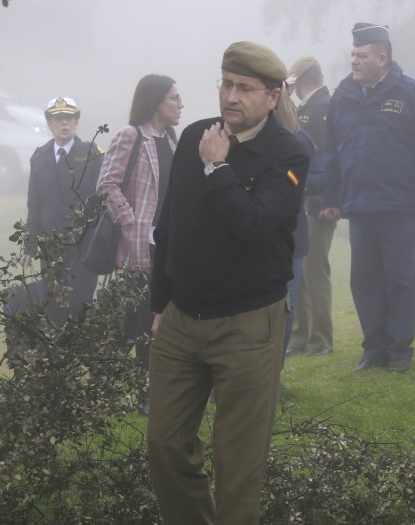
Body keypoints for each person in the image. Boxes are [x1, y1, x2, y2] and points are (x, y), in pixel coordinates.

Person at [147, 42, 308, 525]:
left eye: (245, 88)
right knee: (165, 445)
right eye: (225, 84)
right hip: (180, 318)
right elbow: (168, 223)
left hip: (248, 322)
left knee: (238, 466)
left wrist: (218, 167)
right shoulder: (196, 133)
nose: (231, 96)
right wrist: (160, 303)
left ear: (274, 97)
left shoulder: (289, 152)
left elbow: (253, 226)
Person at [321, 23, 415, 373]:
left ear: (382, 57)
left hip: (401, 206)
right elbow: (330, 153)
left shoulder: (413, 94)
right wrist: (330, 197)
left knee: (401, 280)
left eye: (361, 55)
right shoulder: (342, 96)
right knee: (364, 280)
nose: (354, 60)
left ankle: (399, 351)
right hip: (359, 206)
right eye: (352, 54)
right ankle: (373, 349)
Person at [95, 74, 182, 417]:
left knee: (154, 321)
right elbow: (106, 185)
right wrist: (133, 225)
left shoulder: (173, 142)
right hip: (136, 249)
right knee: (139, 321)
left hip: (167, 248)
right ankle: (133, 393)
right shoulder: (131, 135)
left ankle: (147, 391)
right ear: (157, 99)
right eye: (175, 97)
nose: (180, 104)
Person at [13, 97, 103, 330]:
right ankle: (56, 352)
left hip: (84, 243)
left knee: (78, 301)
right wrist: (30, 244)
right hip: (50, 243)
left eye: (69, 118)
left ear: (76, 123)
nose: (64, 123)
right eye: (58, 119)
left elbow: (102, 198)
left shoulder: (92, 154)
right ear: (49, 124)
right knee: (53, 297)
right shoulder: (39, 156)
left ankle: (77, 348)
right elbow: (35, 204)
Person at [285, 55, 337, 359]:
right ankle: (300, 338)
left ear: (301, 78)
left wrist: (328, 201)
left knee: (316, 272)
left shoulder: (324, 107)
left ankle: (321, 340)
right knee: (301, 273)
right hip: (305, 203)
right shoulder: (306, 108)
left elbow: (327, 158)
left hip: (319, 204)